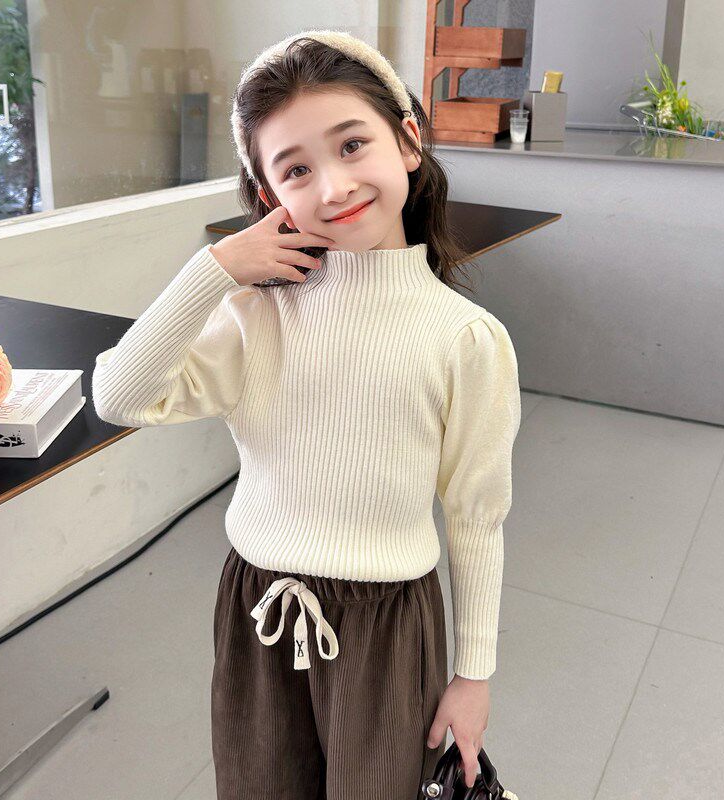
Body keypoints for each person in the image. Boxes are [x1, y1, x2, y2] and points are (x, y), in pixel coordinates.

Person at [92, 29, 522, 800]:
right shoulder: (255, 318)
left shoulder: (465, 337)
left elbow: (476, 514)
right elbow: (118, 396)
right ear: (270, 198)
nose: (333, 186)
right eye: (296, 169)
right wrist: (214, 269)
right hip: (257, 608)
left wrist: (473, 675)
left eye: (352, 144)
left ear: (408, 141)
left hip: (390, 625)